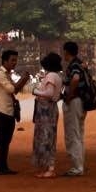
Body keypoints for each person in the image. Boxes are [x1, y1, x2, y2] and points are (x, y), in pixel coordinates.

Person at [0, 49, 31, 175]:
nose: (14, 63)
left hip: (9, 111)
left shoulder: (6, 74)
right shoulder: (0, 74)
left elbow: (15, 90)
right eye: (12, 60)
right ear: (5, 61)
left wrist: (23, 80)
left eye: (15, 60)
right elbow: (12, 89)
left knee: (5, 141)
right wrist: (23, 79)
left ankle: (2, 166)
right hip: (3, 112)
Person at [32, 52, 64, 178]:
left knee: (45, 137)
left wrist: (36, 91)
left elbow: (49, 93)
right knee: (50, 137)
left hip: (46, 109)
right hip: (51, 108)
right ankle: (47, 167)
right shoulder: (57, 76)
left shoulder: (50, 76)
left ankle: (49, 167)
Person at [60, 40, 88, 177]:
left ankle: (77, 167)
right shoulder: (80, 63)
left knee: (72, 135)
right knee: (79, 134)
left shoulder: (74, 65)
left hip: (75, 101)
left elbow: (75, 79)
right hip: (82, 102)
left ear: (66, 52)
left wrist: (69, 96)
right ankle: (80, 164)